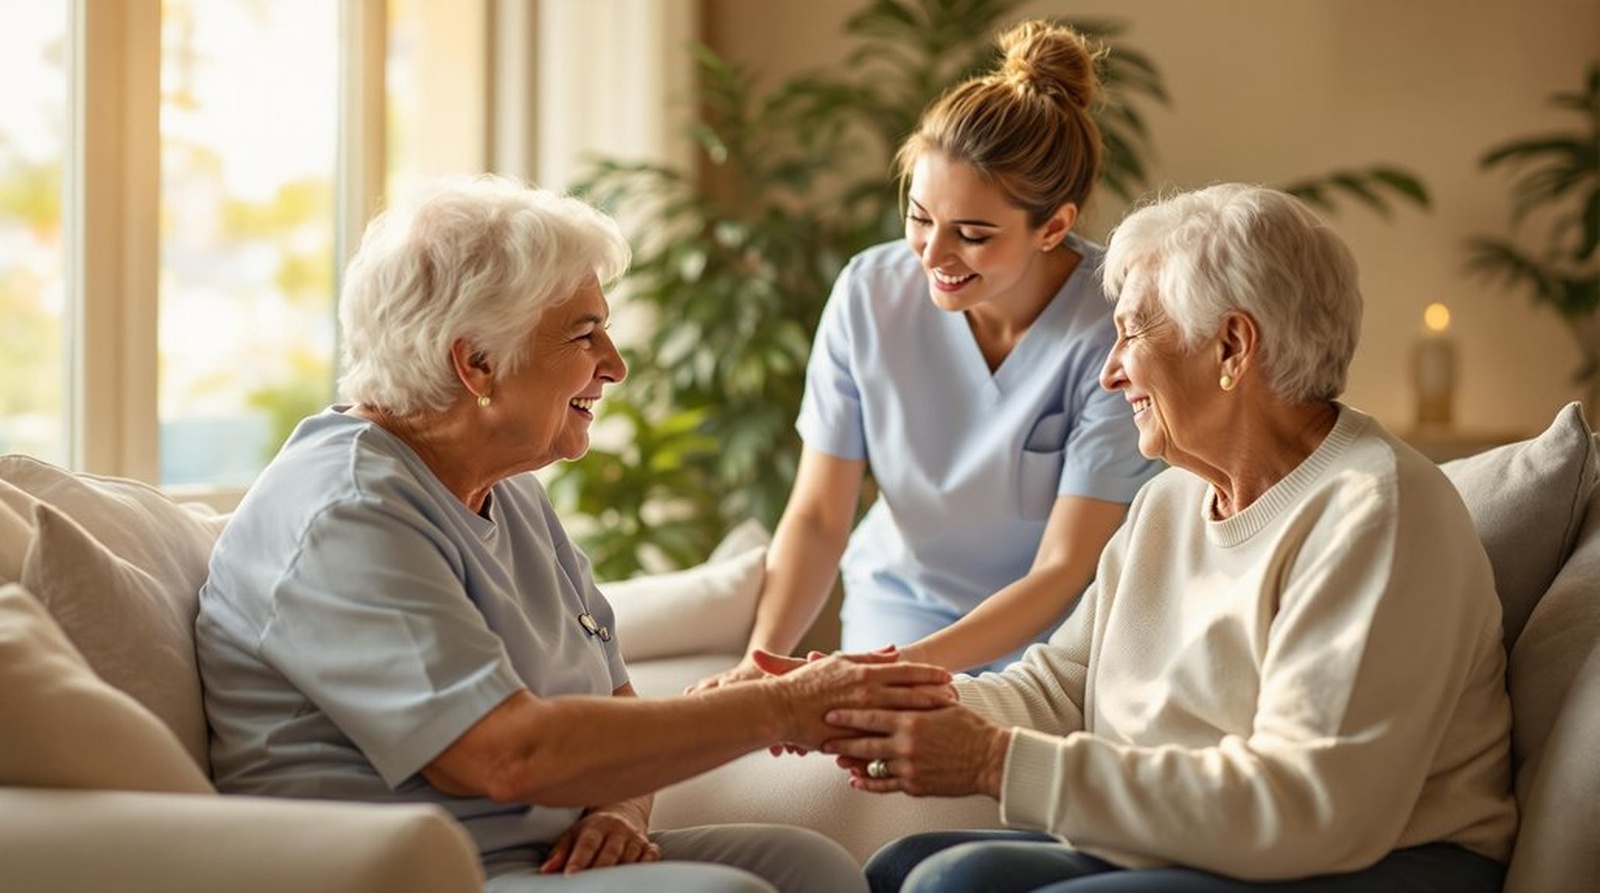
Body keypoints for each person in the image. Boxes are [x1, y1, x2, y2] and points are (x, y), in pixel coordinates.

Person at [193, 175, 956, 893]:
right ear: (476, 362)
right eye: (585, 335)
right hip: (428, 874)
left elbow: (617, 706)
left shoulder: (510, 493)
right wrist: (784, 706)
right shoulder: (346, 510)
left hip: (540, 860)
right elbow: (503, 754)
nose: (615, 365)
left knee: (810, 865)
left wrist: (619, 808)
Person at [814, 183, 1519, 892]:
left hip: (1375, 864)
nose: (1109, 371)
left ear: (1232, 346)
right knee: (904, 868)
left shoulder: (1373, 510)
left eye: (1132, 333)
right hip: (1193, 845)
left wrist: (992, 762)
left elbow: (1309, 807)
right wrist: (878, 702)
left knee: (952, 886)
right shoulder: (1170, 500)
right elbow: (1063, 690)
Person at [694, 20, 1159, 691]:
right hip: (902, 603)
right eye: (919, 218)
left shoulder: (1111, 324)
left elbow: (1065, 566)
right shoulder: (868, 295)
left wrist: (886, 672)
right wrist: (760, 660)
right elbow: (820, 516)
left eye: (971, 234)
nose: (933, 255)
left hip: (1059, 628)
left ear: (1054, 226)